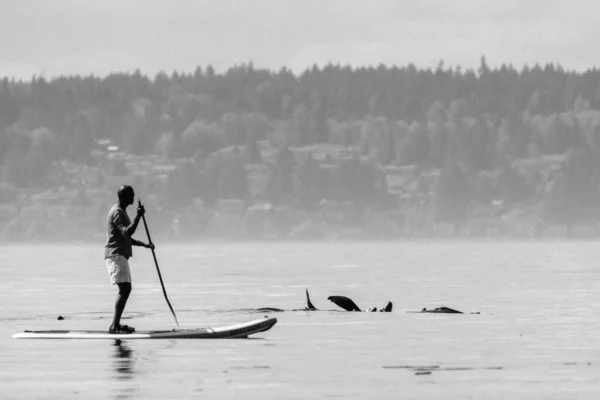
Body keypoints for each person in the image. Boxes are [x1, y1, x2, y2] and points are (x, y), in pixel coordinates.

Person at [104, 185, 154, 334]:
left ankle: (116, 324)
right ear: (125, 197)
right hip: (115, 255)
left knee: (126, 288)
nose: (134, 197)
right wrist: (138, 216)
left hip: (119, 254)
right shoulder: (117, 213)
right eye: (131, 194)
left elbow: (127, 238)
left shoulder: (121, 211)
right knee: (125, 288)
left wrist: (144, 245)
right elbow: (127, 232)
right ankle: (115, 326)